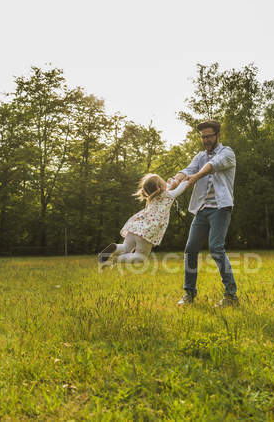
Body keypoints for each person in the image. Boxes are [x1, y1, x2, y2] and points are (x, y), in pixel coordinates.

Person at [167, 120, 238, 308]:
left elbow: (212, 166)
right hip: (202, 209)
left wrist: (196, 177)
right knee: (190, 250)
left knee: (216, 248)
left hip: (220, 208)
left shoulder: (227, 153)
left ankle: (231, 296)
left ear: (217, 136)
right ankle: (189, 294)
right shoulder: (199, 156)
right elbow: (187, 170)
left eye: (208, 136)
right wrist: (175, 181)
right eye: (202, 137)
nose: (205, 140)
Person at [98, 173, 188, 268]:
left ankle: (115, 247)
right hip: (147, 231)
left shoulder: (153, 196)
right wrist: (186, 180)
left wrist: (171, 182)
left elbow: (166, 187)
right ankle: (116, 259)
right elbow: (181, 188)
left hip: (136, 225)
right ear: (160, 186)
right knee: (140, 257)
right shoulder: (168, 195)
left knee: (126, 248)